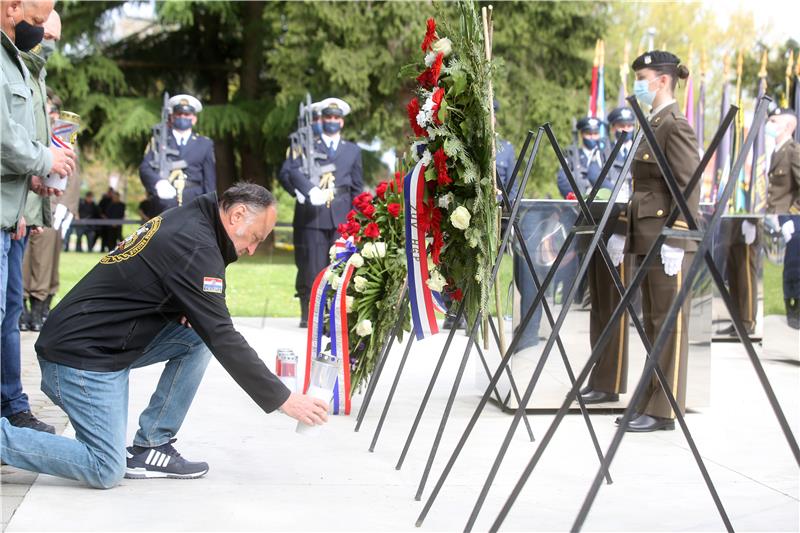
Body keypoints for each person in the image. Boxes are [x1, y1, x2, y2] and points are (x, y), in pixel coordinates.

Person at [0, 183, 330, 488]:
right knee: (105, 467)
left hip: (104, 344)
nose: (253, 249)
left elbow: (161, 285)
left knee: (196, 337)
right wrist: (284, 400)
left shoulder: (192, 221)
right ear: (237, 215)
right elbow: (223, 335)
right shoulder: (195, 242)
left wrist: (180, 308)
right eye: (256, 237)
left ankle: (152, 445)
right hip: (78, 359)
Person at [614, 50, 700, 432]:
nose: (639, 85)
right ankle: (649, 398)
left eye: (643, 77)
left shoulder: (675, 125)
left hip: (666, 239)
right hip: (646, 236)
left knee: (668, 324)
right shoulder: (651, 122)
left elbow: (689, 185)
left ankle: (664, 409)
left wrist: (678, 238)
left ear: (662, 80)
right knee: (651, 323)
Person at [1, 0, 75, 434]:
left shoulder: (27, 69)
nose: (45, 42)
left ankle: (11, 404)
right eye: (40, 29)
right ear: (13, 10)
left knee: (9, 314)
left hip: (14, 211)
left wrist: (33, 193)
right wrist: (45, 160)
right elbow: (8, 141)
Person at [283, 97, 363, 327]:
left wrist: (356, 219)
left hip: (341, 217)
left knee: (339, 267)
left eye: (337, 118)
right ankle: (310, 315)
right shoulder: (306, 145)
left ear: (342, 122)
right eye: (328, 117)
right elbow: (293, 171)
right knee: (312, 267)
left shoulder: (353, 150)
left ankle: (334, 314)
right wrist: (309, 190)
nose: (332, 121)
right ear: (323, 119)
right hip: (313, 216)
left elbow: (357, 187)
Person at [579, 105, 635, 404]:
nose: (623, 130)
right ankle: (599, 376)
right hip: (601, 226)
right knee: (599, 307)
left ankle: (611, 383)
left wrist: (624, 230)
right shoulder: (603, 151)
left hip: (621, 232)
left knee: (614, 308)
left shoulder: (640, 147)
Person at [21, 19, 65, 332]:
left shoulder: (62, 129)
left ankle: (41, 307)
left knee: (46, 264)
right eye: (45, 31)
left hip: (46, 202)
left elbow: (69, 171)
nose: (49, 41)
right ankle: (29, 309)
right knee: (19, 276)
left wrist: (67, 207)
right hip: (20, 204)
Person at [139, 93, 217, 214]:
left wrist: (210, 209)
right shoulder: (158, 141)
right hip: (164, 203)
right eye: (179, 114)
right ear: (172, 117)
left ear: (194, 119)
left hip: (194, 204)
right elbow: (145, 168)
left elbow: (209, 181)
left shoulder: (205, 144)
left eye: (186, 115)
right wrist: (158, 183)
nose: (182, 117)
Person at [764, 106, 800, 328]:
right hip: (775, 221)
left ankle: (794, 312)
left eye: (775, 121)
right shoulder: (777, 151)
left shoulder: (793, 151)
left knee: (793, 269)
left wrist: (790, 217)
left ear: (789, 126)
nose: (770, 125)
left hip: (792, 225)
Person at [557, 116, 609, 198]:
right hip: (578, 205)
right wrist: (574, 197)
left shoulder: (605, 156)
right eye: (588, 134)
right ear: (582, 134)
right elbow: (563, 180)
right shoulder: (572, 156)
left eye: (595, 134)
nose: (592, 137)